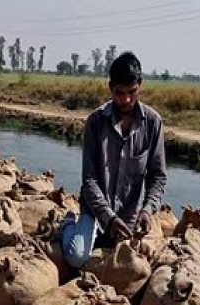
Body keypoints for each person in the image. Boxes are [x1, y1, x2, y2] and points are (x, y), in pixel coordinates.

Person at [62, 51, 167, 268]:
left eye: (132, 92)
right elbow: (89, 180)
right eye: (120, 93)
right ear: (111, 88)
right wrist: (108, 218)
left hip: (130, 216)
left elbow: (157, 177)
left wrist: (147, 210)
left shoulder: (153, 123)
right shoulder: (96, 122)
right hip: (96, 210)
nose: (126, 99)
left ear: (140, 86)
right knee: (77, 257)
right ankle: (67, 224)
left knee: (147, 264)